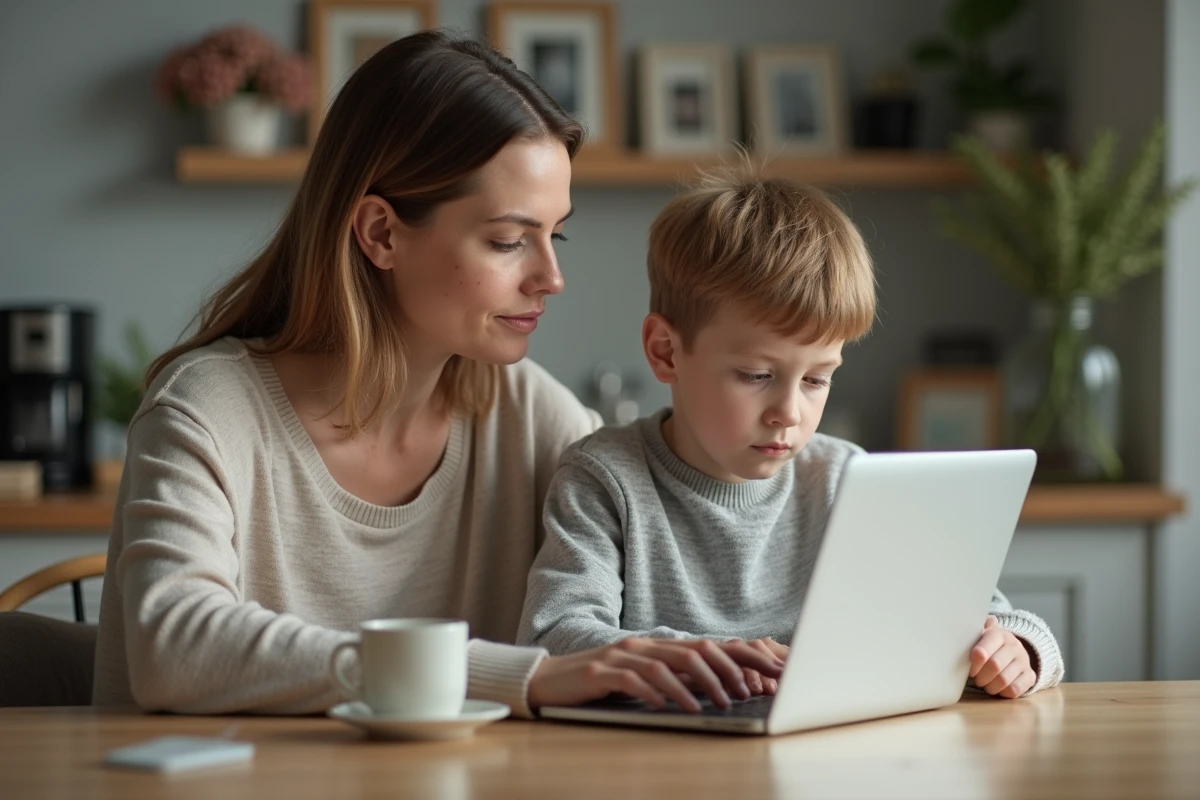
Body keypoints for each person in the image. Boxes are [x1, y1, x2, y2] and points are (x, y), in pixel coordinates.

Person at [92, 31, 783, 717]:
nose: (552, 277)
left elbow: (643, 595)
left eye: (555, 234)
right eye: (509, 241)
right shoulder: (206, 412)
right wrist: (518, 677)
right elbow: (173, 649)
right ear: (381, 233)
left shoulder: (535, 420)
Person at [518, 174, 1065, 699]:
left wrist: (1017, 649)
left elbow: (987, 614)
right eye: (757, 376)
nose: (788, 411)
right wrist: (710, 658)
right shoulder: (603, 479)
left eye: (816, 379)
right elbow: (554, 637)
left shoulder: (849, 481)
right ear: (665, 351)